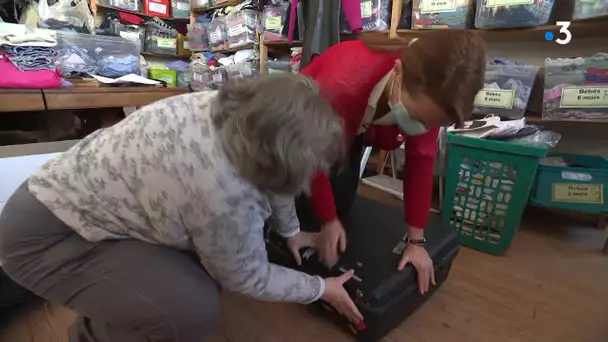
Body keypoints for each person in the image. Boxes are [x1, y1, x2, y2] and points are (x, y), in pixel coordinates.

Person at [0, 73, 364, 342]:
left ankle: (111, 312)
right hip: (45, 240)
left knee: (197, 272)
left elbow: (277, 174)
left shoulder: (231, 110)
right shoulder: (224, 191)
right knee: (193, 308)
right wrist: (321, 288)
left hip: (69, 205)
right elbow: (246, 275)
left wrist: (291, 231)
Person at [298, 30, 487, 294]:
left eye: (430, 124)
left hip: (356, 121)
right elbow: (312, 157)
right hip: (304, 119)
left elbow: (421, 161)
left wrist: (416, 242)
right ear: (397, 73)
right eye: (416, 117)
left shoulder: (434, 94)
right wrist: (328, 222)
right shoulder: (343, 84)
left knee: (340, 203)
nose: (422, 128)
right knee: (305, 204)